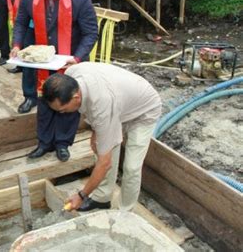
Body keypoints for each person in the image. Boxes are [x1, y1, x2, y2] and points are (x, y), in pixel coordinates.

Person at [42, 63, 162, 212]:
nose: (62, 113)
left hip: (143, 110)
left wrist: (81, 195)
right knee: (102, 149)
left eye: (63, 109)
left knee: (131, 167)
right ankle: (102, 198)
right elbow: (94, 111)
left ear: (76, 97)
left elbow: (105, 163)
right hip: (118, 103)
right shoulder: (71, 75)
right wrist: (96, 131)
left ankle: (125, 210)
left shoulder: (102, 104)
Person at [10, 0, 97, 161]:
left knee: (67, 102)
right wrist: (16, 45)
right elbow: (21, 21)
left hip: (70, 58)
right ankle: (44, 142)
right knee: (44, 100)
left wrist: (77, 57)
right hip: (42, 58)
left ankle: (63, 143)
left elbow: (91, 33)